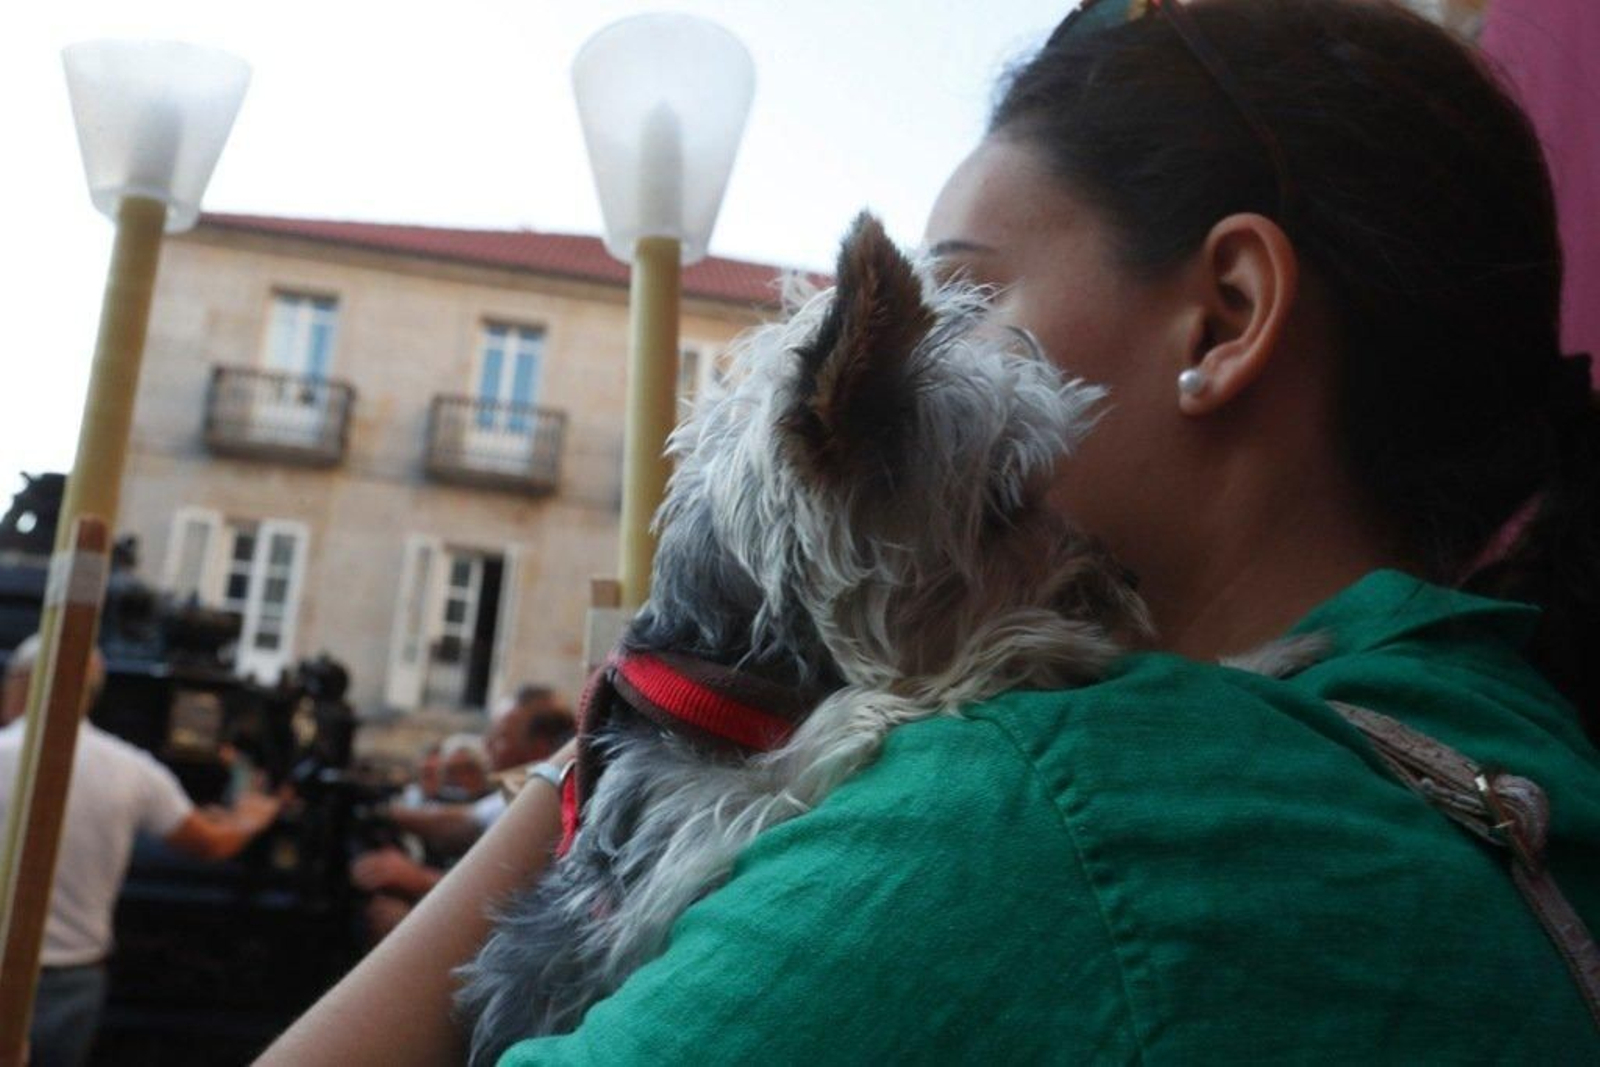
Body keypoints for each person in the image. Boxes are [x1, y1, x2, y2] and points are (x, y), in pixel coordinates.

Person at [261, 2, 1600, 1062]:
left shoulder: (1045, 811)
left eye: (964, 294)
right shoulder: (1519, 746)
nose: (914, 363)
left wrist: (623, 739)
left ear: (1225, 317)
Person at [0, 635, 281, 1067]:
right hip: (73, 980)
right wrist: (252, 816)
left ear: (20, 684)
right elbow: (209, 844)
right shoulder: (130, 770)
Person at [351, 692, 573, 941]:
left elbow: (505, 900)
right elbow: (467, 821)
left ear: (539, 748)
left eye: (500, 738)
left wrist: (419, 882)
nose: (487, 745)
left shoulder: (555, 803)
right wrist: (381, 811)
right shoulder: (519, 789)